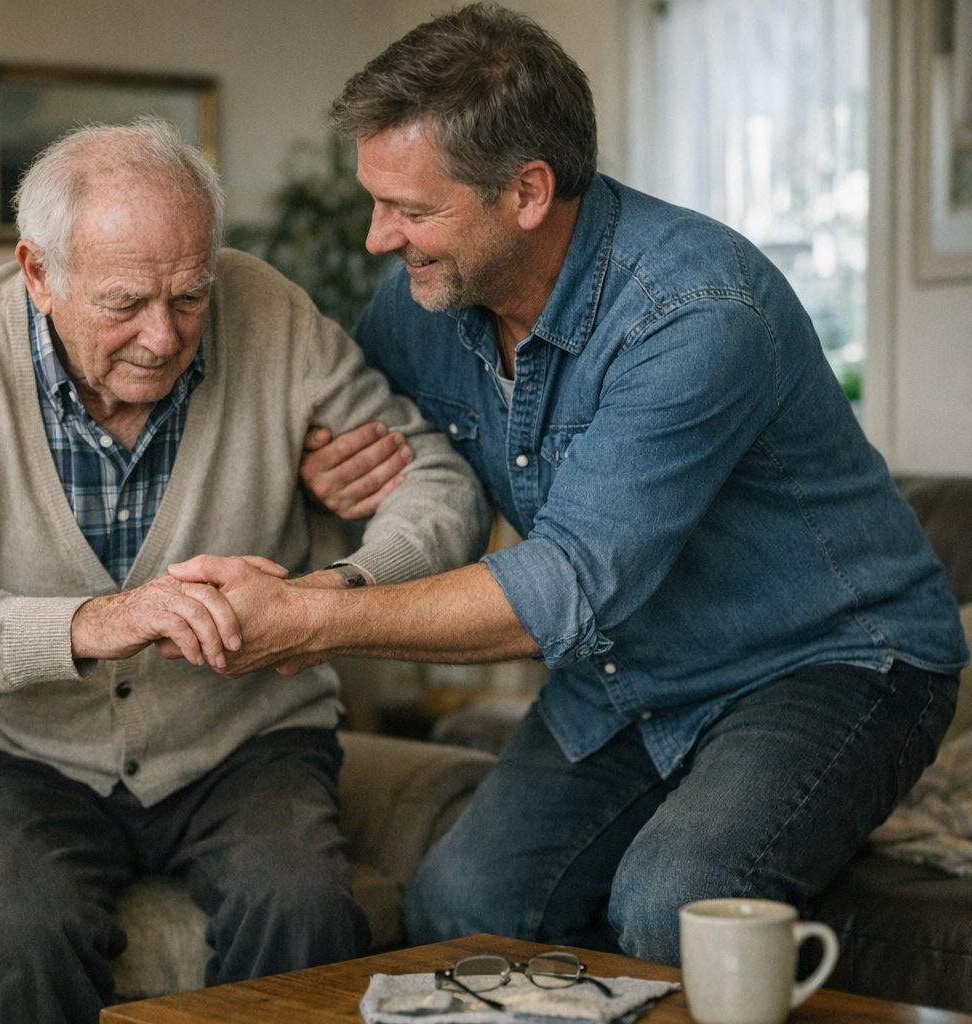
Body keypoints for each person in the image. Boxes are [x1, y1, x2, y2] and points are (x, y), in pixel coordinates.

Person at [166, 5, 970, 966]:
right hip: (630, 669)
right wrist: (326, 461)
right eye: (375, 202)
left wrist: (306, 616)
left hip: (829, 663)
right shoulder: (426, 296)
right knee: (464, 905)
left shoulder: (694, 312)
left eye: (412, 210)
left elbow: (563, 588)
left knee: (676, 901)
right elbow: (355, 431)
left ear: (530, 192)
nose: (381, 238)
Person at [0, 119, 489, 1024]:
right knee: (23, 934)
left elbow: (443, 488)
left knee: (306, 908)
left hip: (246, 738)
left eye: (190, 296)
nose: (164, 338)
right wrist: (87, 625)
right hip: (15, 753)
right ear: (38, 272)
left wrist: (335, 593)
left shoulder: (270, 313)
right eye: (125, 303)